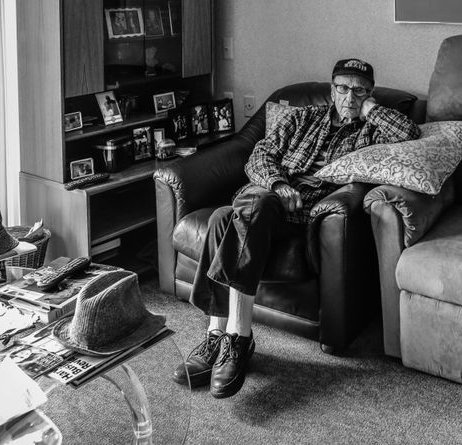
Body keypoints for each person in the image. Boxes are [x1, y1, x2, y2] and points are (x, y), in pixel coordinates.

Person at [173, 58, 420, 398]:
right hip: (268, 193)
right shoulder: (303, 117)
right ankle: (228, 337)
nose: (350, 97)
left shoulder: (371, 129)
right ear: (331, 90)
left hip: (304, 213)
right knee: (245, 208)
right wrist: (277, 184)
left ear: (369, 94)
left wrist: (373, 109)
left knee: (221, 219)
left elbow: (411, 134)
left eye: (359, 91)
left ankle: (226, 337)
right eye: (343, 88)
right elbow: (260, 154)